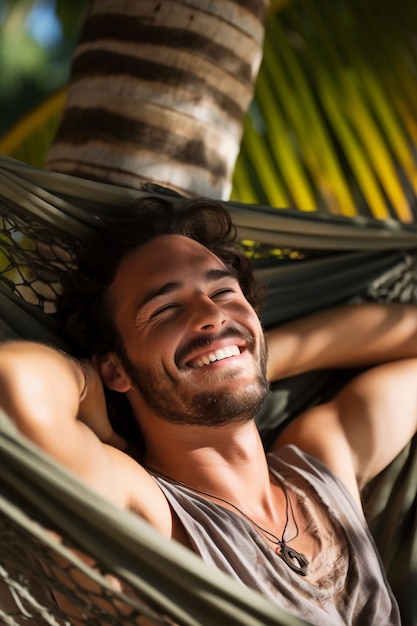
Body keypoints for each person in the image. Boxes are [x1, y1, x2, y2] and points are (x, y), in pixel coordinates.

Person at [1, 196, 416, 625]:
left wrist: (246, 356)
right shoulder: (144, 510)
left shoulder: (321, 466)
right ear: (115, 367)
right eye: (165, 309)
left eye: (222, 292)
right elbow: (14, 381)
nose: (212, 314)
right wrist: (91, 387)